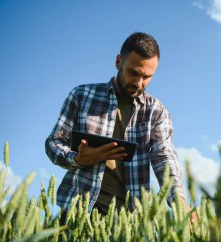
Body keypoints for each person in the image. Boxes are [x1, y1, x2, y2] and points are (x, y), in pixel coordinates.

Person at [45, 32, 195, 223]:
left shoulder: (156, 111)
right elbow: (54, 143)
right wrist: (77, 158)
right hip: (78, 210)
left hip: (129, 220)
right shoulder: (81, 95)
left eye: (147, 77)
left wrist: (179, 201)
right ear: (118, 62)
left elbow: (164, 158)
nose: (139, 83)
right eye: (133, 72)